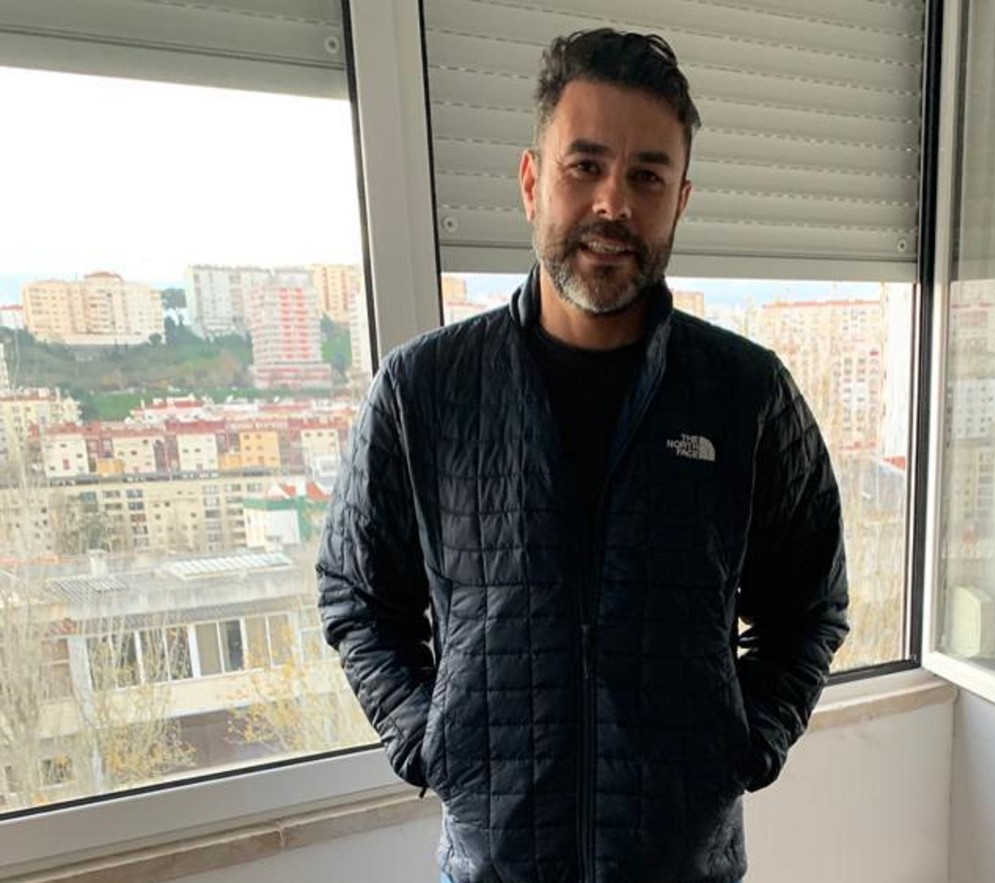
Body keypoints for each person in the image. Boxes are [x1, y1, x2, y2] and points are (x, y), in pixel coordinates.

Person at [318, 28, 849, 883]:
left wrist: (744, 744)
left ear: (679, 201)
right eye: (586, 165)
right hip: (494, 867)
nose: (614, 203)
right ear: (533, 181)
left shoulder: (745, 395)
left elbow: (810, 606)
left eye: (647, 176)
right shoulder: (426, 391)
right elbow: (357, 593)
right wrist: (429, 738)